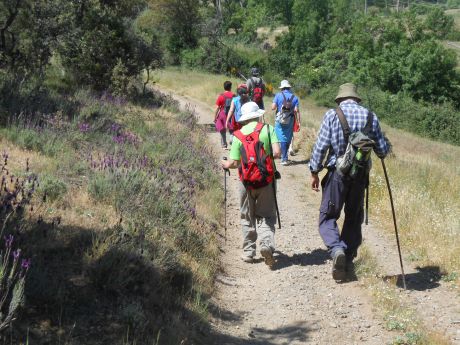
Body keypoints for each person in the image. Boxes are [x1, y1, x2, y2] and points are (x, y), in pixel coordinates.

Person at [309, 83, 390, 281]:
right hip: (360, 177)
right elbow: (382, 151)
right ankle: (349, 259)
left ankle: (337, 250)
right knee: (353, 217)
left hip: (337, 175)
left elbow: (321, 146)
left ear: (340, 99)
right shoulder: (370, 116)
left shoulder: (332, 115)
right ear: (356, 99)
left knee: (328, 216)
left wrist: (314, 171)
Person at [221, 102, 281, 267]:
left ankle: (248, 252)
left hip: (245, 183)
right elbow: (277, 153)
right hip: (266, 181)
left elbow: (233, 163)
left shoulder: (238, 135)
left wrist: (225, 164)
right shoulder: (268, 129)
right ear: (257, 115)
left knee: (247, 216)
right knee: (267, 215)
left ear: (244, 118)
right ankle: (266, 244)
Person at [272, 80, 300, 165]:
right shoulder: (295, 97)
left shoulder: (278, 95)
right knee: (288, 137)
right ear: (289, 87)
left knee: (281, 137)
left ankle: (283, 158)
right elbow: (296, 110)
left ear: (282, 88)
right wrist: (299, 122)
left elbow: (273, 108)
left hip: (280, 119)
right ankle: (285, 156)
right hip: (290, 119)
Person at [214, 81, 235, 149]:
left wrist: (215, 117)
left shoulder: (221, 96)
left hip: (222, 114)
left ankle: (224, 145)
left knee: (222, 130)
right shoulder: (234, 95)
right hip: (232, 114)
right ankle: (232, 140)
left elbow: (217, 108)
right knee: (232, 130)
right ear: (230, 87)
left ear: (224, 87)